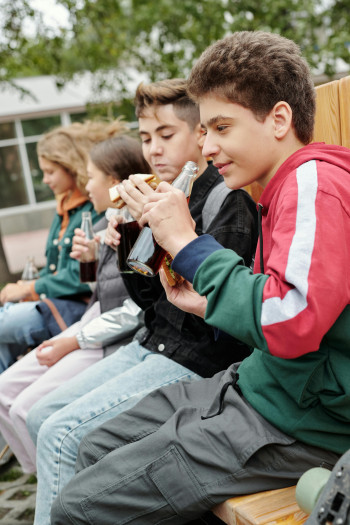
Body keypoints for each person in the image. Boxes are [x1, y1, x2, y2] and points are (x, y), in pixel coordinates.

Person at [50, 31, 350, 525]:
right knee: (95, 443)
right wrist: (208, 305)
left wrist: (188, 244)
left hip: (303, 422)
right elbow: (290, 305)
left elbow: (290, 320)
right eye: (205, 129)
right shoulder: (277, 190)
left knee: (76, 509)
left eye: (221, 127)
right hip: (264, 386)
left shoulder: (312, 183)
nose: (206, 145)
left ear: (279, 118)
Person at [27, 78, 258, 525]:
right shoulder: (158, 195)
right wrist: (129, 245)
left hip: (193, 358)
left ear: (200, 134)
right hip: (153, 341)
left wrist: (170, 236)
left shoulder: (226, 200)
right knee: (40, 417)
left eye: (166, 136)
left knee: (60, 435)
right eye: (146, 137)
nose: (153, 149)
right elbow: (152, 303)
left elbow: (215, 318)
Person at [0, 135, 149, 473]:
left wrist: (72, 339)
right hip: (91, 326)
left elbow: (136, 307)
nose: (87, 184)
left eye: (90, 176)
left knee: (27, 409)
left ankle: (56, 486)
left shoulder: (130, 225)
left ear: (113, 182)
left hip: (106, 339)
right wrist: (93, 261)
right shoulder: (108, 221)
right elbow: (103, 290)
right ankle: (44, 480)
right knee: (6, 391)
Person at [0, 119, 125, 373]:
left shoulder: (94, 207)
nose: (45, 180)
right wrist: (28, 289)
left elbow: (81, 278)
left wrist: (31, 287)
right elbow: (54, 268)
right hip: (54, 305)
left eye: (50, 172)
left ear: (70, 167)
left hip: (77, 309)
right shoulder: (64, 208)